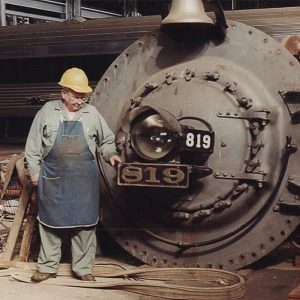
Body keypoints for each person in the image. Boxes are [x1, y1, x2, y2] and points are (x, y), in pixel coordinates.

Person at [25, 67, 121, 282]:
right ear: (64, 93)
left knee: (85, 225)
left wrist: (111, 155)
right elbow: (32, 147)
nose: (80, 101)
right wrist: (34, 172)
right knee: (50, 224)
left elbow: (106, 141)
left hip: (84, 180)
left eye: (83, 96)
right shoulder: (47, 112)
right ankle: (48, 267)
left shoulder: (92, 114)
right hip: (53, 177)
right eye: (77, 96)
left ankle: (83, 269)